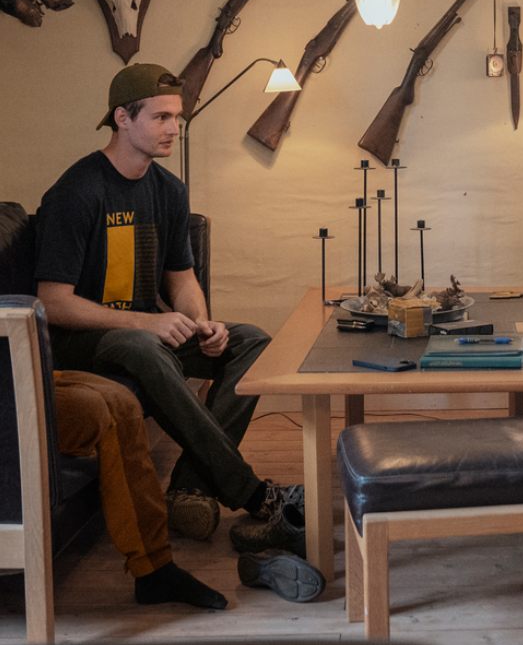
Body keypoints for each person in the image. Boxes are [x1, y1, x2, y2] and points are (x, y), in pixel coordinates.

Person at [34, 63, 323, 602]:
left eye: (178, 119)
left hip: (144, 336)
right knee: (143, 345)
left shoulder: (168, 190)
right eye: (162, 117)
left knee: (251, 341)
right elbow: (52, 302)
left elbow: (181, 276)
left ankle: (190, 486)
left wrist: (203, 321)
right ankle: (254, 494)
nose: (174, 128)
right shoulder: (77, 191)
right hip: (83, 343)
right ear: (123, 118)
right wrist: (146, 321)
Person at [53, 370, 227, 609]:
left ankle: (154, 569)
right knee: (92, 411)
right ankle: (153, 568)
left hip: (35, 373)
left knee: (123, 401)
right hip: (13, 388)